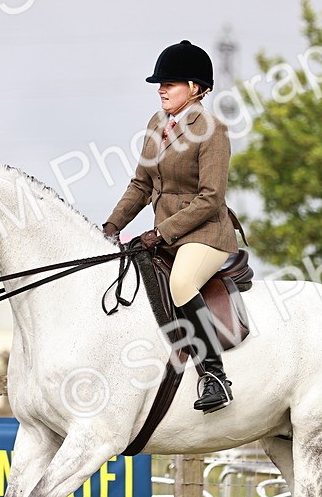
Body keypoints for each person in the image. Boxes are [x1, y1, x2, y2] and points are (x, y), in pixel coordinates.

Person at [102, 40, 240, 413]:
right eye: (159, 83)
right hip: (167, 232)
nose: (161, 89)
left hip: (206, 234)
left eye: (171, 83)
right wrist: (112, 226)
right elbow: (141, 185)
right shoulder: (156, 124)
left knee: (181, 282)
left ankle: (214, 376)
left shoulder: (212, 130)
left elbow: (211, 197)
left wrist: (161, 233)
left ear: (196, 88)